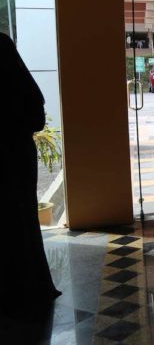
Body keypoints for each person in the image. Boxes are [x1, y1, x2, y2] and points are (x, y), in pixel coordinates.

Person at [0, 32, 61, 316]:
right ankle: (28, 285)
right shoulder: (17, 79)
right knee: (21, 219)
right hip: (15, 157)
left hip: (14, 157)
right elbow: (36, 116)